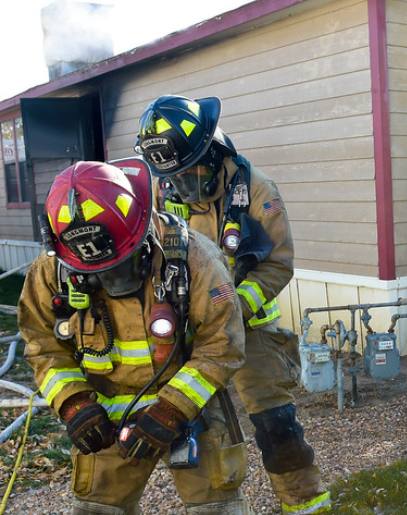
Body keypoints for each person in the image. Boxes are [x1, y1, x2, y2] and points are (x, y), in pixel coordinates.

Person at [134, 94, 331, 514]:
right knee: (200, 431)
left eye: (190, 175)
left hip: (252, 329)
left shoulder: (257, 189)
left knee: (278, 430)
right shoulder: (164, 188)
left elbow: (278, 264)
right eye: (172, 178)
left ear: (213, 152)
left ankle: (307, 505)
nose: (180, 187)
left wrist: (232, 308)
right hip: (192, 333)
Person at [19, 161, 250, 514]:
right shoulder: (53, 270)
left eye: (120, 263)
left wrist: (173, 409)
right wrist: (73, 403)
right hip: (105, 412)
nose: (110, 278)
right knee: (97, 509)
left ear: (142, 229)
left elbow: (223, 343)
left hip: (192, 408)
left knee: (215, 508)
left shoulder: (195, 260)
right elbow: (40, 342)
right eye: (94, 272)